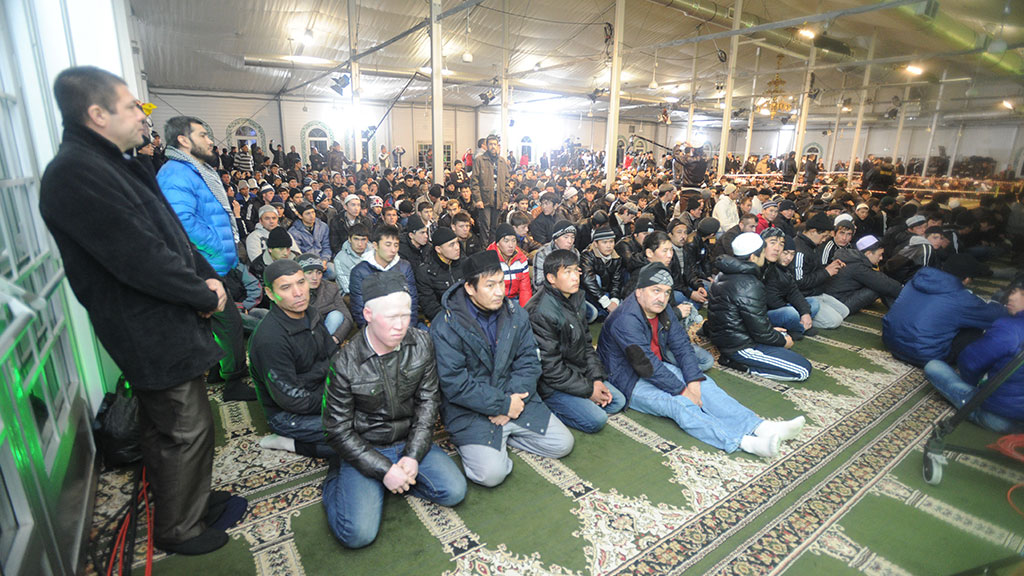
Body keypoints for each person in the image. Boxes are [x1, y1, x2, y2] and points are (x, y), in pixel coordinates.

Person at [40, 66, 237, 555]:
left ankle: (187, 502)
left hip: (166, 317)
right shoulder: (74, 174)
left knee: (166, 425)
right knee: (187, 427)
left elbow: (171, 233)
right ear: (97, 114)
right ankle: (181, 527)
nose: (142, 115)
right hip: (146, 326)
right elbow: (140, 258)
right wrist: (201, 294)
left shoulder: (119, 163)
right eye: (132, 106)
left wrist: (205, 275)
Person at [597, 263, 805, 457]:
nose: (662, 297)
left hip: (657, 365)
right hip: (629, 379)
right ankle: (743, 442)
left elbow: (681, 344)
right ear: (639, 291)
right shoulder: (625, 320)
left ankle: (761, 427)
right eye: (656, 290)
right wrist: (683, 391)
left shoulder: (663, 308)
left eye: (667, 292)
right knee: (678, 403)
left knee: (704, 384)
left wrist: (693, 381)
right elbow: (645, 364)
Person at [323, 270, 467, 548]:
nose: (400, 325)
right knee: (357, 535)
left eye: (406, 315)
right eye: (391, 317)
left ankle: (392, 480)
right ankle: (337, 480)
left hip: (407, 440)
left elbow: (428, 403)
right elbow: (336, 430)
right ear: (367, 314)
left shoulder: (422, 342)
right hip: (367, 447)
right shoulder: (344, 362)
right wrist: (382, 469)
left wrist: (413, 456)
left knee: (454, 491)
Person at [430, 251, 575, 487]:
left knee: (562, 444)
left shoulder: (516, 314)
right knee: (491, 475)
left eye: (501, 282)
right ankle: (492, 443)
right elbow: (455, 383)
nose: (500, 292)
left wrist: (511, 403)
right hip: (472, 410)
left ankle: (504, 435)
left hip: (515, 397)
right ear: (470, 288)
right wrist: (502, 404)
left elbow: (529, 360)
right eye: (490, 285)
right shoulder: (446, 324)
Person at [158, 115, 254, 401]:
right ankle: (233, 381)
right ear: (183, 140)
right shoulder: (176, 173)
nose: (210, 141)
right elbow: (182, 222)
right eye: (202, 135)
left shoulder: (194, 169)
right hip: (203, 262)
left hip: (211, 261)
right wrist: (217, 245)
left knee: (212, 322)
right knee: (229, 324)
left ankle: (216, 370)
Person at [527, 250, 626, 433]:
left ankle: (580, 402)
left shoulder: (577, 297)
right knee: (597, 420)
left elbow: (587, 344)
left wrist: (596, 379)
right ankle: (547, 407)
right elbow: (550, 369)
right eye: (567, 272)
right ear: (551, 278)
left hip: (576, 372)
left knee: (618, 401)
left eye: (576, 270)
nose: (575, 277)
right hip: (551, 384)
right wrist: (588, 391)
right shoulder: (540, 312)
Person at [249, 260, 338, 459]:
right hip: (290, 414)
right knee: (357, 435)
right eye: (286, 287)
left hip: (324, 392)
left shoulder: (312, 313)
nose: (298, 293)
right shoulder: (270, 339)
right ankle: (290, 443)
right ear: (270, 293)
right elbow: (293, 399)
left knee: (379, 418)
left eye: (301, 282)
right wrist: (338, 402)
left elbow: (334, 355)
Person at [923, 276, 1024, 433]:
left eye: (1018, 292)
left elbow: (970, 363)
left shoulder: (1009, 329)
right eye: (1013, 291)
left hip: (999, 417)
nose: (1011, 297)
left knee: (933, 366)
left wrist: (973, 383)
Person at [707, 233, 813, 381]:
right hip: (739, 347)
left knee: (782, 337)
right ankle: (740, 365)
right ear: (753, 257)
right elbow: (760, 332)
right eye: (763, 252)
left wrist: (773, 332)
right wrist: (782, 341)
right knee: (802, 370)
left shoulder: (725, 273)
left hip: (736, 336)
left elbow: (751, 320)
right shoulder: (749, 284)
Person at [882, 254, 1004, 367]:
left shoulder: (916, 280)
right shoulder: (961, 298)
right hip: (924, 355)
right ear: (967, 279)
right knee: (975, 326)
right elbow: (996, 316)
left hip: (890, 342)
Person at [348, 224, 418, 327]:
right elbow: (359, 309)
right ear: (375, 246)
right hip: (375, 328)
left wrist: (408, 329)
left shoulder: (404, 267)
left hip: (402, 325)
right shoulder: (359, 272)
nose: (393, 250)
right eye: (388, 245)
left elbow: (412, 302)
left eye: (396, 245)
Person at [826, 235, 904, 315]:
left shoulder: (852, 259)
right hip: (839, 305)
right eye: (879, 255)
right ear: (868, 253)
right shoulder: (857, 266)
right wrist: (905, 291)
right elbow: (884, 284)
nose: (881, 258)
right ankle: (901, 311)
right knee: (879, 287)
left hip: (833, 299)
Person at [298, 253, 354, 342]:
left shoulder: (330, 288)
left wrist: (336, 337)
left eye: (319, 273)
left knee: (336, 315)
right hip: (302, 334)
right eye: (309, 273)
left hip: (327, 332)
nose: (315, 277)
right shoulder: (294, 291)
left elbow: (347, 317)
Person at [415, 226, 464, 321]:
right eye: (451, 245)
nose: (457, 247)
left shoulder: (464, 263)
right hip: (444, 320)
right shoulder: (426, 272)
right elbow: (430, 306)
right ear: (438, 249)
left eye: (457, 242)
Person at [469, 134, 510, 242]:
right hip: (484, 200)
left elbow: (507, 182)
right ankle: (484, 249)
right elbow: (474, 181)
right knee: (485, 227)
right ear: (487, 146)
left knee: (495, 227)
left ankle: (493, 248)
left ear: (498, 146)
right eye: (490, 144)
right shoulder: (480, 160)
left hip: (499, 199)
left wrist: (506, 200)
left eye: (495, 144)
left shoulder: (502, 161)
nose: (493, 146)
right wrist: (478, 199)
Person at [579, 226, 625, 323]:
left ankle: (603, 312)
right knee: (596, 278)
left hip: (605, 292)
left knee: (621, 306)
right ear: (595, 244)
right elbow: (588, 281)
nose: (609, 246)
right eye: (604, 242)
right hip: (590, 294)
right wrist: (606, 303)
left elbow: (616, 281)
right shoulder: (587, 255)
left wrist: (614, 300)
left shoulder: (616, 257)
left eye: (611, 241)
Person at [488, 223, 532, 307]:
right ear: (497, 243)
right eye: (506, 241)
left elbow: (525, 289)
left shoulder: (521, 259)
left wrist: (525, 311)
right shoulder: (489, 260)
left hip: (515, 299)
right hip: (497, 300)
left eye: (513, 240)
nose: (511, 245)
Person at [290, 202, 335, 280]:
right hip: (305, 262)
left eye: (313, 212)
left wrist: (324, 260)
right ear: (300, 216)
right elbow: (297, 254)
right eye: (308, 214)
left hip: (321, 259)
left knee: (332, 272)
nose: (312, 216)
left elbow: (326, 246)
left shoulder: (323, 226)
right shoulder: (294, 232)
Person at [533, 220, 579, 291]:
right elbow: (538, 283)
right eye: (566, 237)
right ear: (556, 239)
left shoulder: (575, 253)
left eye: (572, 237)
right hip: (548, 293)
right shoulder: (543, 254)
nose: (570, 241)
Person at [333, 222, 370, 294]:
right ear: (349, 239)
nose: (360, 244)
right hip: (350, 295)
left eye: (363, 239)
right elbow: (347, 288)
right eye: (356, 239)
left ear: (367, 240)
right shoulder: (340, 259)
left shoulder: (374, 253)